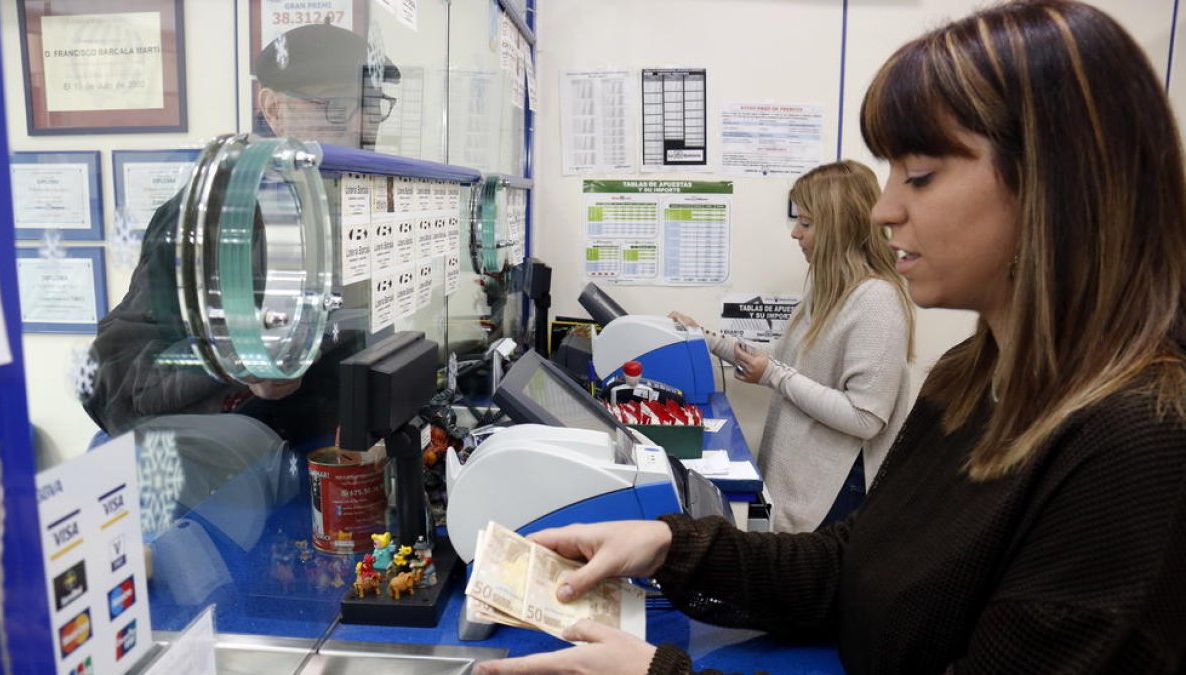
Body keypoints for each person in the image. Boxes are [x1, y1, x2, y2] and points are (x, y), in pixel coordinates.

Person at [474, 2, 1186, 673]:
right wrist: (670, 545)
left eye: (922, 174)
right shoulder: (974, 372)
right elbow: (859, 560)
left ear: (1054, 187)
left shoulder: (1135, 446)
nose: (884, 209)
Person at [81, 23, 399, 441]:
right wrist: (239, 361)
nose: (361, 129)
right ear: (273, 108)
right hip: (246, 474)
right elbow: (113, 380)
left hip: (347, 455)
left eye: (371, 107)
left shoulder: (367, 206)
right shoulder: (208, 220)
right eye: (335, 106)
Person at [671, 159, 915, 532]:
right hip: (796, 481)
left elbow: (865, 418)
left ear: (838, 228)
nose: (795, 234)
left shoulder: (877, 302)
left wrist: (773, 376)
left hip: (836, 491)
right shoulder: (828, 288)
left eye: (806, 223)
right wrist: (703, 338)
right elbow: (784, 362)